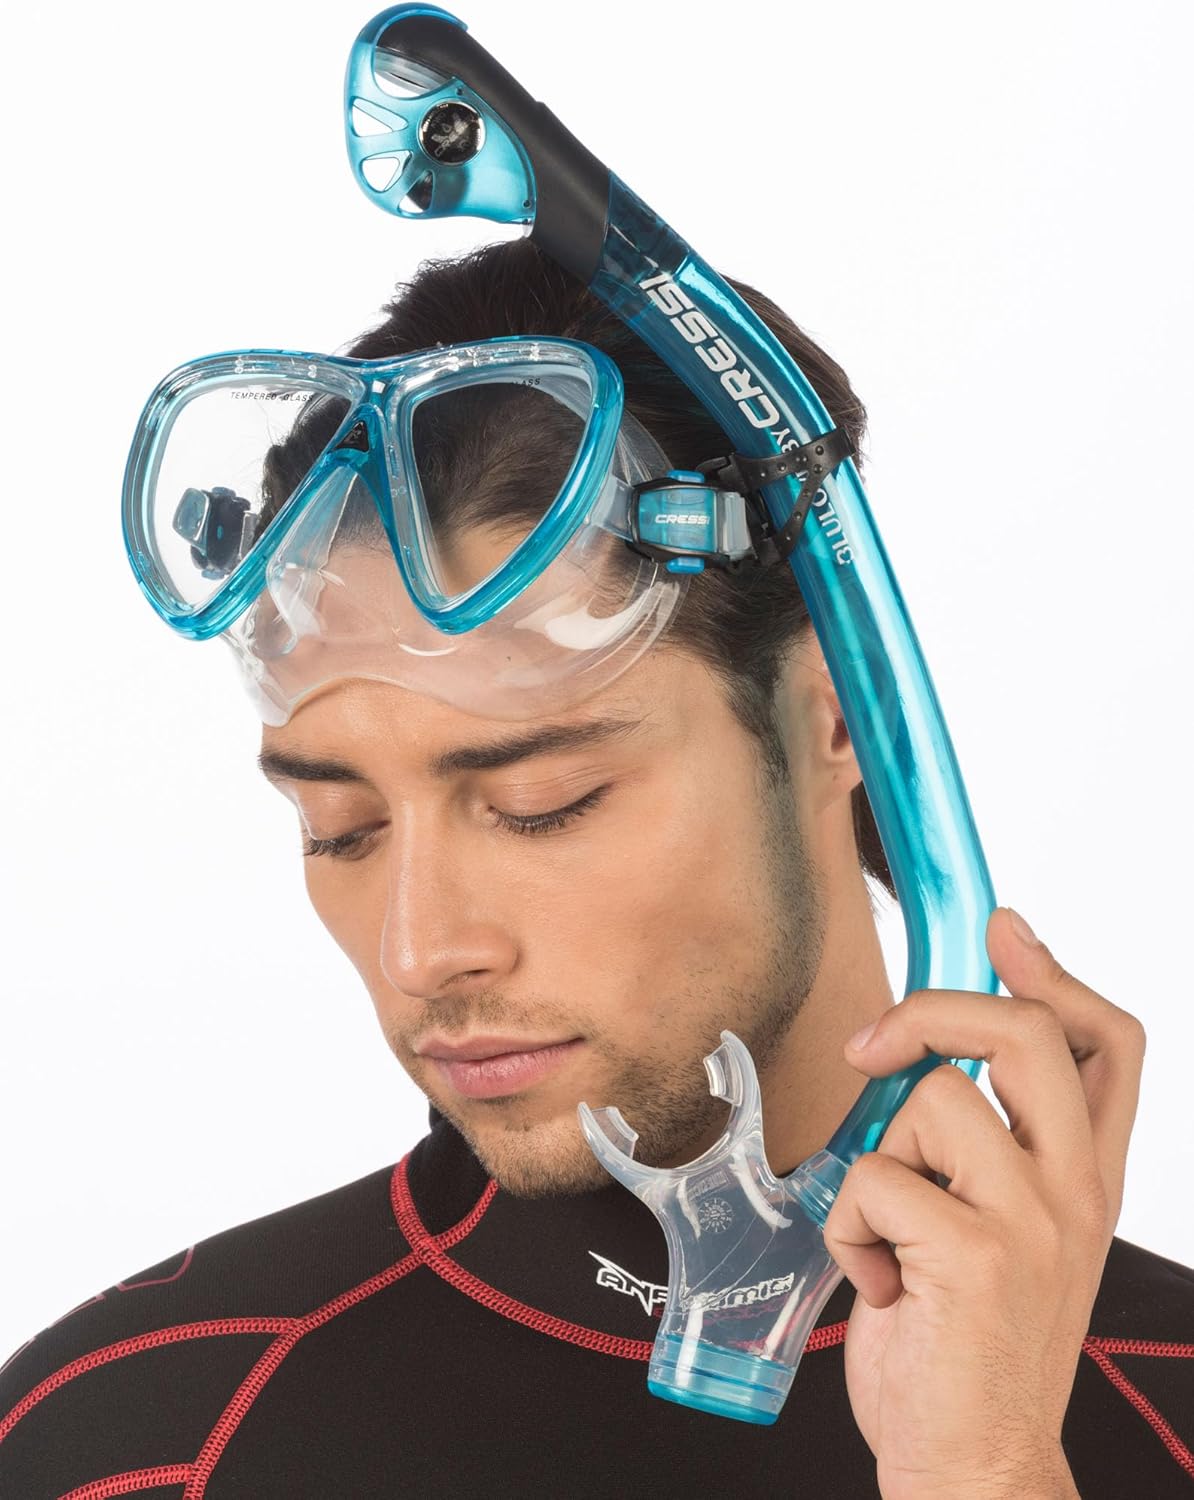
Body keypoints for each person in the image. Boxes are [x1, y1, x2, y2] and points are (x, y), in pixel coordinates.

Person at [2, 238, 1192, 1499]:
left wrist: (991, 1472)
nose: (422, 951)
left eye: (541, 807)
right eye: (341, 827)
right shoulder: (124, 1447)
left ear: (840, 718)